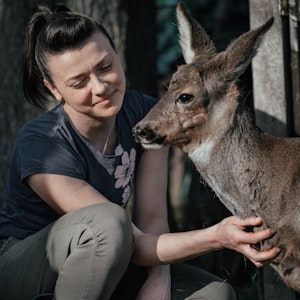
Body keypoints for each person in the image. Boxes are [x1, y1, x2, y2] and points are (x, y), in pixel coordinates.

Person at [0, 4, 280, 300]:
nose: (100, 87)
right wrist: (218, 236)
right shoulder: (42, 142)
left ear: (116, 55)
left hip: (109, 255)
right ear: (54, 89)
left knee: (214, 295)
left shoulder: (144, 115)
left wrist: (158, 279)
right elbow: (126, 237)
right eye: (79, 82)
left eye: (105, 66)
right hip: (24, 267)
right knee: (108, 222)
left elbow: (152, 220)